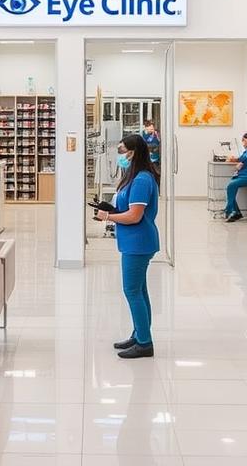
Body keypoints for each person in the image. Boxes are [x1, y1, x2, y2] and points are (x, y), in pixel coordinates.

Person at [94, 134, 160, 359]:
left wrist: (108, 217)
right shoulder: (135, 177)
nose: (120, 154)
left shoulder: (142, 179)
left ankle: (144, 343)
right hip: (134, 241)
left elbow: (134, 216)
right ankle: (139, 334)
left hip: (138, 242)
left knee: (131, 291)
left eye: (122, 150)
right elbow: (127, 209)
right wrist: (111, 209)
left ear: (133, 152)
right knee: (139, 290)